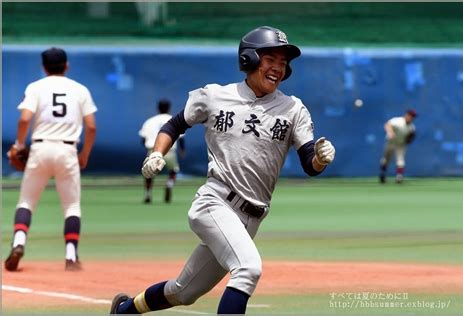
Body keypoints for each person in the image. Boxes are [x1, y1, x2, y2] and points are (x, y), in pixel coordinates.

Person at [110, 26, 335, 314]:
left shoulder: (293, 109)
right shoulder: (215, 96)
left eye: (283, 62)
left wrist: (320, 158)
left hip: (252, 217)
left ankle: (125, 310)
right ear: (249, 59)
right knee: (248, 269)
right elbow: (175, 125)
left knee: (184, 291)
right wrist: (157, 154)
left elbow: (309, 164)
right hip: (215, 203)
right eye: (270, 59)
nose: (278, 68)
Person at [4, 47, 98, 272]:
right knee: (71, 206)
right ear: (67, 65)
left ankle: (18, 243)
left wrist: (18, 145)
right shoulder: (80, 89)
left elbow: (24, 119)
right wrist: (84, 155)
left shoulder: (36, 87)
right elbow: (92, 126)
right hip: (67, 151)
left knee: (26, 202)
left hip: (40, 148)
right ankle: (71, 256)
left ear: (43, 67)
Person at [138, 99, 185, 204]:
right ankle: (169, 184)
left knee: (149, 172)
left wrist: (149, 149)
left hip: (153, 151)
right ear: (169, 108)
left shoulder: (149, 121)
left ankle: (148, 193)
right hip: (170, 151)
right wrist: (182, 150)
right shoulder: (173, 119)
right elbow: (181, 138)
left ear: (158, 108)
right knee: (173, 170)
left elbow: (143, 139)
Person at [379, 109, 417, 184]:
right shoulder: (398, 121)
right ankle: (383, 174)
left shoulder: (412, 127)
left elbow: (410, 137)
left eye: (413, 116)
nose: (411, 118)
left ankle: (399, 177)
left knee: (400, 159)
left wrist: (408, 140)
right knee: (386, 159)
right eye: (410, 115)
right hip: (391, 142)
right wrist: (390, 132)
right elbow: (387, 124)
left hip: (401, 144)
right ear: (406, 115)